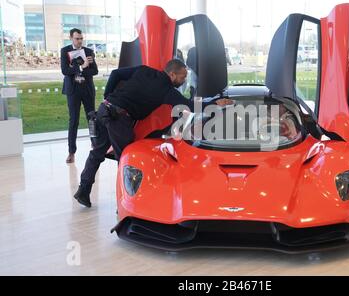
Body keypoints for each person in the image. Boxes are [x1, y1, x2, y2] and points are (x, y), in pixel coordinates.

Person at [73, 59, 232, 207]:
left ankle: (83, 190)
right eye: (182, 77)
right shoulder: (166, 90)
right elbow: (189, 105)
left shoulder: (144, 70)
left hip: (104, 109)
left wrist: (107, 95)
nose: (184, 81)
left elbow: (116, 74)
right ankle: (126, 204)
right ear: (172, 74)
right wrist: (214, 103)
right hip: (119, 119)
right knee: (126, 160)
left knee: (97, 152)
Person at [61, 28, 98, 164]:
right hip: (73, 91)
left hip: (87, 90)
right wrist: (82, 67)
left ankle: (95, 145)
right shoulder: (65, 51)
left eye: (81, 38)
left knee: (92, 118)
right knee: (74, 120)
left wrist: (88, 66)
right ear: (71, 38)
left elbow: (95, 71)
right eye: (77, 38)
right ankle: (71, 152)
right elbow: (65, 70)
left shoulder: (88, 52)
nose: (79, 41)